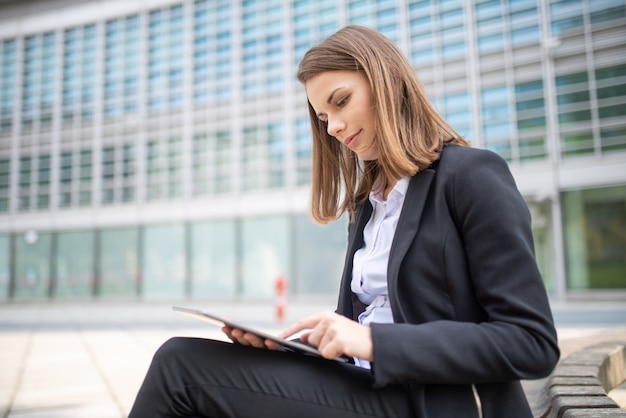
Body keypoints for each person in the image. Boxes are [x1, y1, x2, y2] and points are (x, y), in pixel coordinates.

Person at [128, 25, 559, 418]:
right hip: (369, 389)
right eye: (322, 117)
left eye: (340, 101)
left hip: (437, 404)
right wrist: (290, 349)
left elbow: (531, 342)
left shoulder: (471, 176)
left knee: (179, 368)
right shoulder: (367, 204)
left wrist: (372, 342)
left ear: (386, 81)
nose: (332, 126)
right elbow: (360, 329)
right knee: (194, 361)